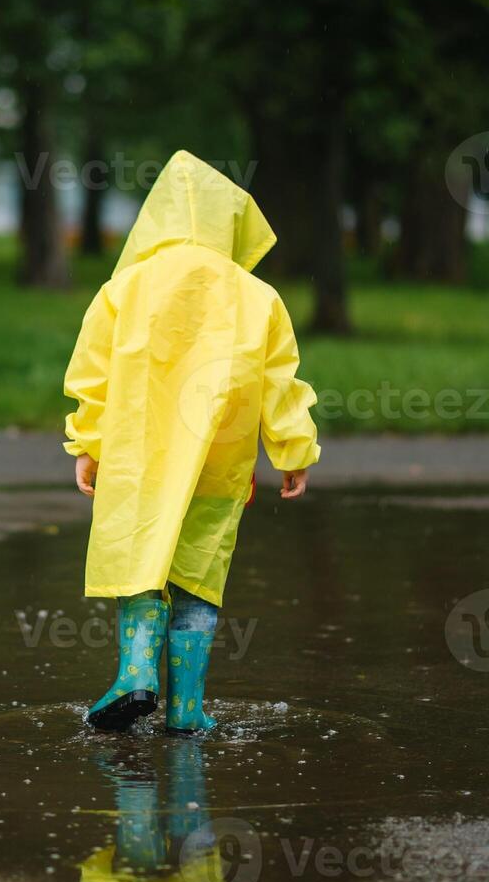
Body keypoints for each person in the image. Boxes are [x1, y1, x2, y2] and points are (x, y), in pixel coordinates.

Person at [62, 150, 320, 734]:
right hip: (219, 463)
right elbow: (281, 382)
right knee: (200, 570)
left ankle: (135, 675)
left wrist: (88, 443)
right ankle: (186, 708)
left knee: (140, 558)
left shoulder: (124, 288)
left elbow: (93, 375)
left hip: (139, 458)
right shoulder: (259, 297)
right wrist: (293, 450)